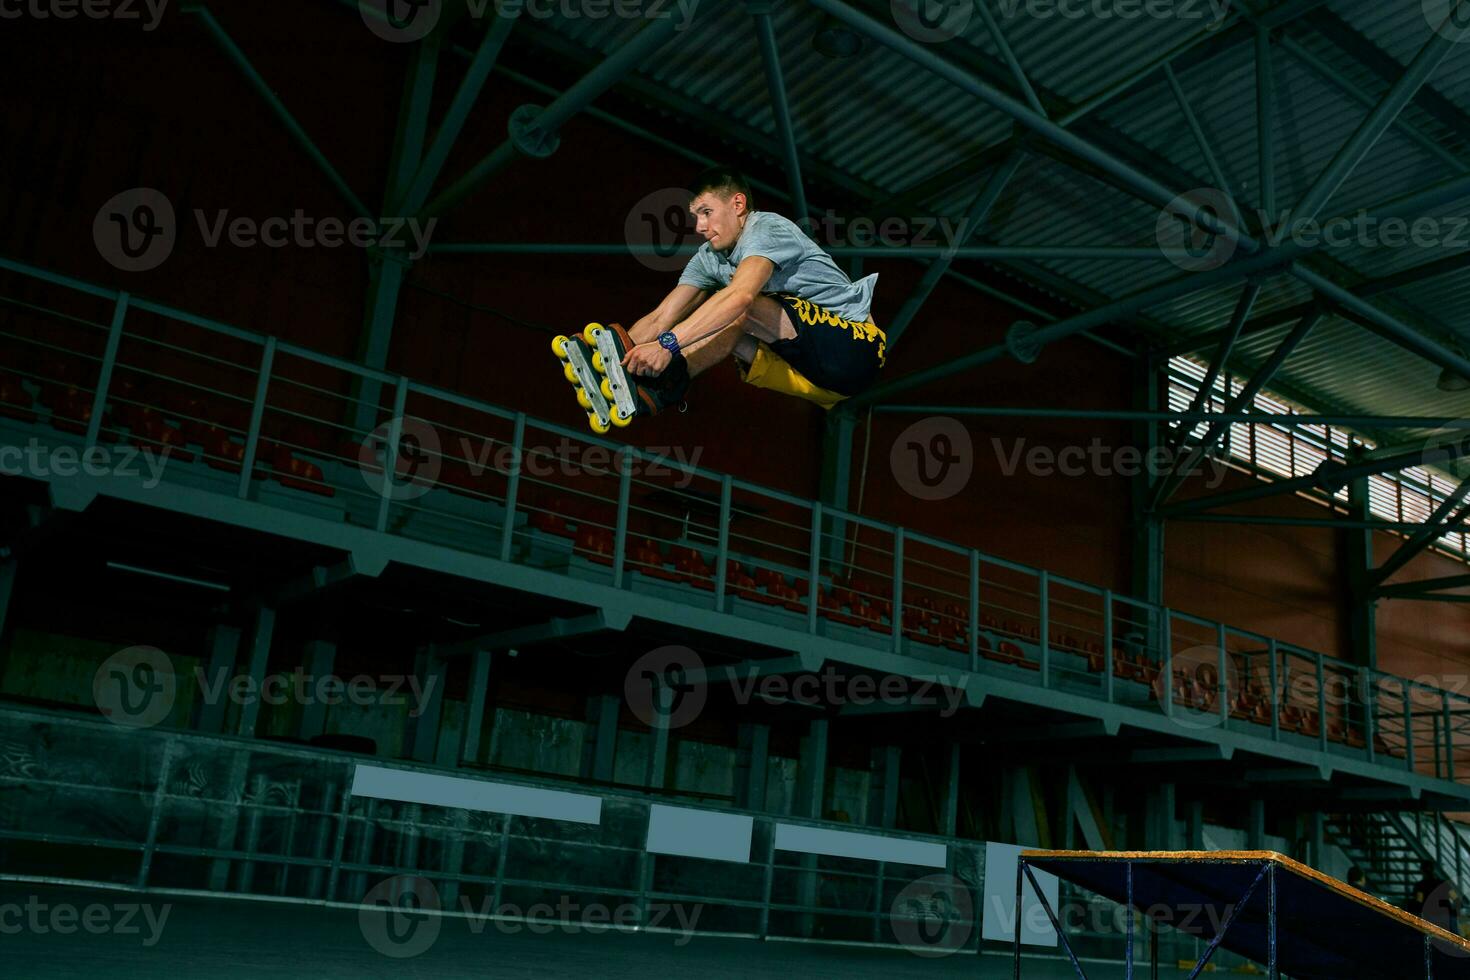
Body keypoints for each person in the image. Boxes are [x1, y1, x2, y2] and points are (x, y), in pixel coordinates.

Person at [560, 166, 887, 428]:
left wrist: (667, 346)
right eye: (695, 217)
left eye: (706, 212)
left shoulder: (766, 230)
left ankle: (674, 371)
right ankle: (664, 388)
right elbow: (663, 317)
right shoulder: (707, 258)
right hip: (813, 379)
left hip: (856, 351)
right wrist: (614, 357)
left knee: (736, 307)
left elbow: (742, 297)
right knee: (730, 324)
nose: (700, 226)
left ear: (738, 205)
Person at [1413, 860, 1461, 935]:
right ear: (1434, 870)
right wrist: (1455, 912)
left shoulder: (1420, 886)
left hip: (1431, 917)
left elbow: (1419, 902)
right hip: (1447, 916)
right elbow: (1455, 898)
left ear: (1422, 871)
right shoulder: (1444, 884)